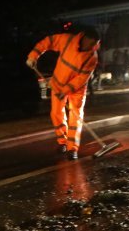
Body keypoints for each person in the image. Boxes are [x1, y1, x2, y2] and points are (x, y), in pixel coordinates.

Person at [26, 26, 100, 160]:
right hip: (58, 84)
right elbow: (48, 42)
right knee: (56, 113)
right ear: (84, 38)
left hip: (76, 90)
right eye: (89, 44)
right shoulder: (67, 40)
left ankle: (73, 149)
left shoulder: (92, 57)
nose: (89, 47)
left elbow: (82, 78)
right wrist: (33, 56)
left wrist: (66, 90)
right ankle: (63, 142)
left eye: (93, 45)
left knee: (75, 118)